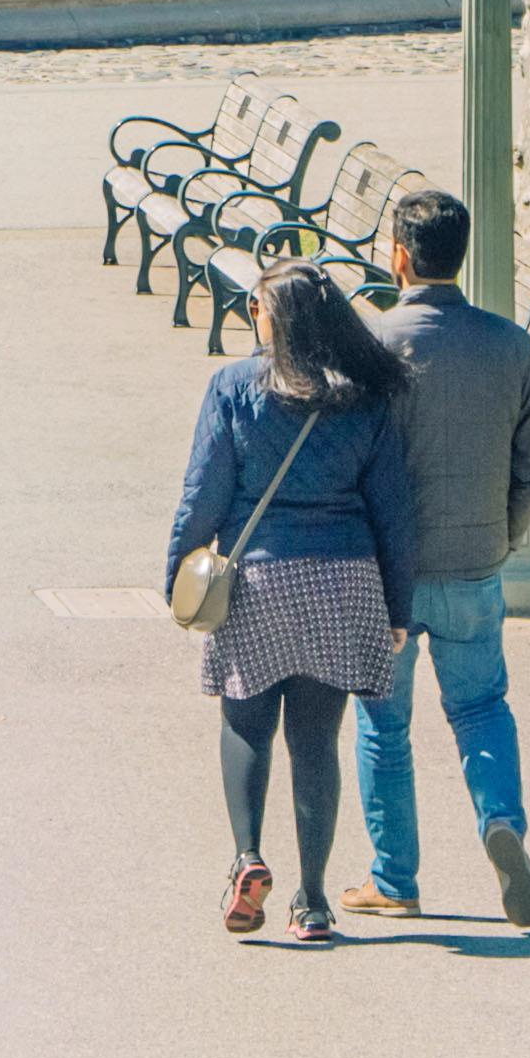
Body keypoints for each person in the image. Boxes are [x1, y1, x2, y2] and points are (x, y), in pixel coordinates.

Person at [162, 261, 417, 941]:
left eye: (256, 308)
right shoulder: (366, 395)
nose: (252, 317)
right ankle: (312, 901)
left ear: (272, 320)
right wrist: (397, 606)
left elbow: (203, 494)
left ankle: (247, 859)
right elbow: (394, 508)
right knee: (315, 743)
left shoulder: (234, 387)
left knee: (246, 725)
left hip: (258, 581)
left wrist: (176, 580)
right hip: (343, 581)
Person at [347, 188, 530, 927]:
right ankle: (501, 821)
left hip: (387, 574)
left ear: (398, 255)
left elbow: (347, 459)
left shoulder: (371, 343)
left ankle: (394, 878)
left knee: (383, 724)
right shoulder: (510, 345)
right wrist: (501, 532)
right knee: (480, 707)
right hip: (474, 559)